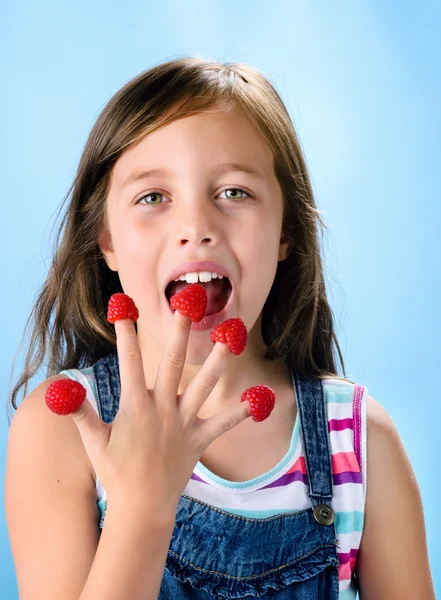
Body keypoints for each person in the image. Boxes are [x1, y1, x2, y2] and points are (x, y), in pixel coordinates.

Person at [5, 57, 435, 600]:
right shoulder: (65, 426)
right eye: (152, 197)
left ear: (286, 234)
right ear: (106, 240)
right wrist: (142, 507)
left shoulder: (361, 441)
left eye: (234, 192)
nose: (196, 228)